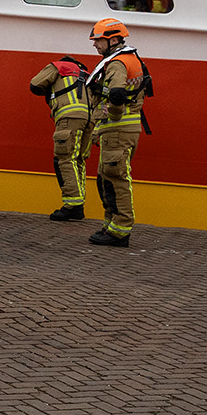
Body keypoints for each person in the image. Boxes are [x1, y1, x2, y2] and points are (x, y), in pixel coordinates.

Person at [83, 17, 151, 247]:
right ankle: (111, 226)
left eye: (98, 40)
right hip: (121, 130)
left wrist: (110, 115)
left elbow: (117, 95)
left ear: (112, 39)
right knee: (107, 179)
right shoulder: (129, 58)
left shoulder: (117, 63)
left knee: (116, 179)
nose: (95, 45)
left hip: (118, 129)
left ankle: (120, 230)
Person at [28, 53, 92, 221]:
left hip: (69, 117)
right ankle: (79, 202)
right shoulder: (85, 72)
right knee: (78, 160)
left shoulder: (58, 66)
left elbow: (34, 85)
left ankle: (73, 205)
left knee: (64, 159)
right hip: (89, 120)